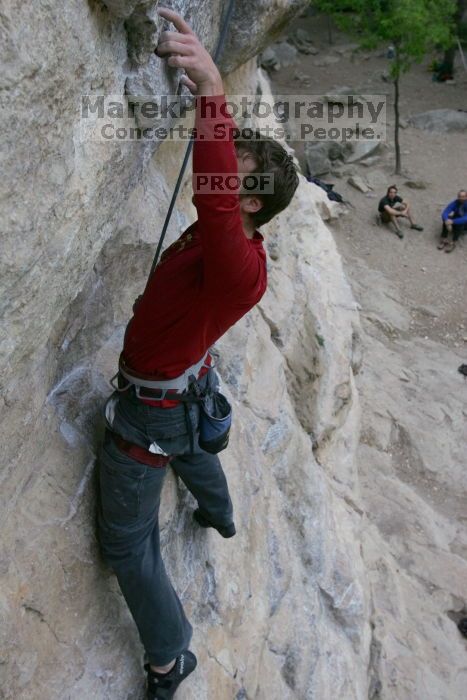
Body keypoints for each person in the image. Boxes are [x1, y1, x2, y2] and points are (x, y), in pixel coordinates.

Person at [96, 7, 299, 700]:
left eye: (228, 176)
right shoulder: (233, 245)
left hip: (150, 409)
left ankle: (168, 657)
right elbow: (210, 193)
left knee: (128, 545)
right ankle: (219, 511)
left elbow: (211, 205)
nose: (213, 182)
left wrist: (212, 92)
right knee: (190, 445)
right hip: (174, 392)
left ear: (245, 200)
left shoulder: (237, 261)